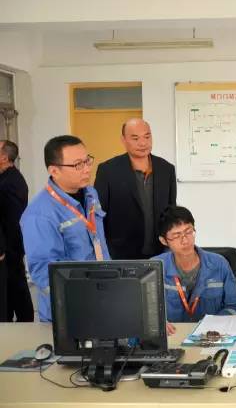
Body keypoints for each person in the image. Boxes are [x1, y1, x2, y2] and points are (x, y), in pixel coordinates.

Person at [20, 135, 110, 322]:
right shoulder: (39, 215)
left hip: (101, 297)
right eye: (78, 165)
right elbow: (45, 274)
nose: (87, 169)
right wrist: (79, 304)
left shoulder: (90, 193)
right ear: (54, 170)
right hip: (70, 311)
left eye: (87, 160)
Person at [95, 118, 176, 260]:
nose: (143, 143)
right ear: (123, 140)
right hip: (120, 254)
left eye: (147, 136)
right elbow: (98, 215)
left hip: (160, 252)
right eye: (135, 138)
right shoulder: (108, 170)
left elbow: (171, 211)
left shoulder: (166, 169)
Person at [153, 205, 236, 324]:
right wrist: (157, 324)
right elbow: (143, 311)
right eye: (176, 236)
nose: (185, 241)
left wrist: (214, 323)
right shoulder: (155, 267)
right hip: (173, 334)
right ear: (163, 240)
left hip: (212, 333)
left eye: (188, 232)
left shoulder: (219, 264)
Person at [0, 140, 34, 322]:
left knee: (16, 286)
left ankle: (24, 324)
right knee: (10, 288)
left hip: (10, 247)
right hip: (7, 246)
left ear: (4, 157)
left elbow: (14, 220)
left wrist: (6, 249)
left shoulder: (12, 181)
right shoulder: (5, 178)